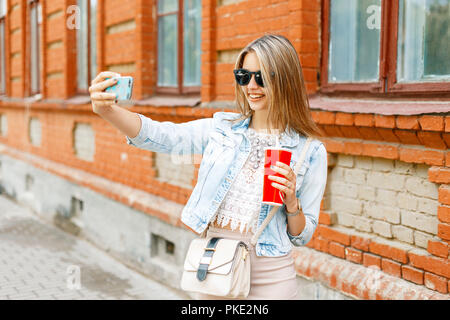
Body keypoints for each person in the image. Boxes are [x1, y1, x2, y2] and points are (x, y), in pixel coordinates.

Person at [89, 34, 328, 300]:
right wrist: (108, 111)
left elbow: (302, 235)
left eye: (261, 77)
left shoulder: (310, 152)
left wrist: (292, 202)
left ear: (284, 80)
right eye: (243, 76)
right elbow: (164, 136)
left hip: (272, 276)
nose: (251, 86)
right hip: (216, 267)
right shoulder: (221, 130)